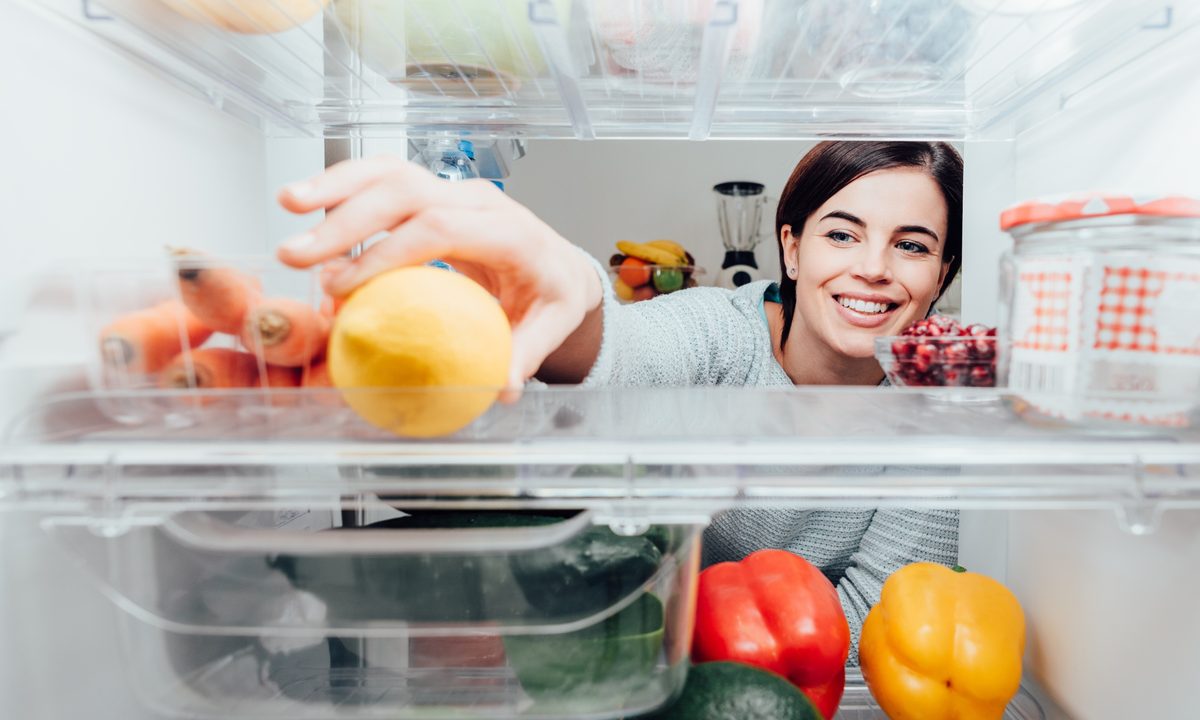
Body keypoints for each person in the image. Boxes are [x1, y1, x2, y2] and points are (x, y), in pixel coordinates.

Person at [277, 141, 963, 663]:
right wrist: (568, 289)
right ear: (790, 247)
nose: (873, 267)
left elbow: (887, 620)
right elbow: (625, 352)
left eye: (911, 245)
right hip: (634, 644)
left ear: (942, 276)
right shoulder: (720, 329)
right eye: (841, 233)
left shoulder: (935, 411)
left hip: (777, 674)